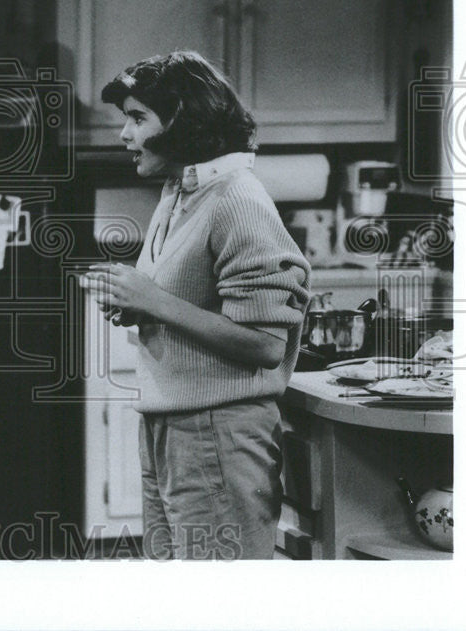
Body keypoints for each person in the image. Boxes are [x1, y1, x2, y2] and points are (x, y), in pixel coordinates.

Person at [82, 51, 311, 560]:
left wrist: (156, 301)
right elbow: (191, 301)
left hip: (217, 432)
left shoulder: (238, 199)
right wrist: (140, 305)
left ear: (183, 120)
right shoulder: (180, 192)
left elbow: (266, 344)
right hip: (172, 426)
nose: (125, 134)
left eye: (138, 118)